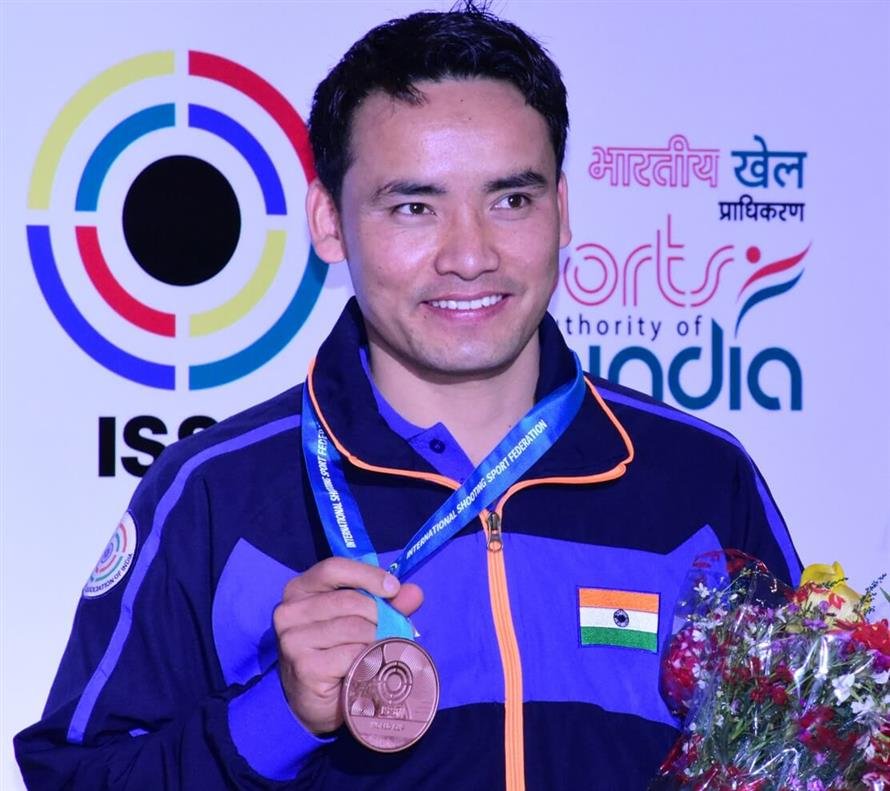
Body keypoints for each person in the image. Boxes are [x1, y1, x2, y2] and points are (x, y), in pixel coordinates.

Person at [15, 4, 801, 789]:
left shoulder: (701, 478)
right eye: (414, 207)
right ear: (329, 221)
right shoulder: (218, 495)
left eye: (511, 199)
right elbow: (75, 779)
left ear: (562, 210)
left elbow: (819, 748)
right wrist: (280, 713)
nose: (470, 255)